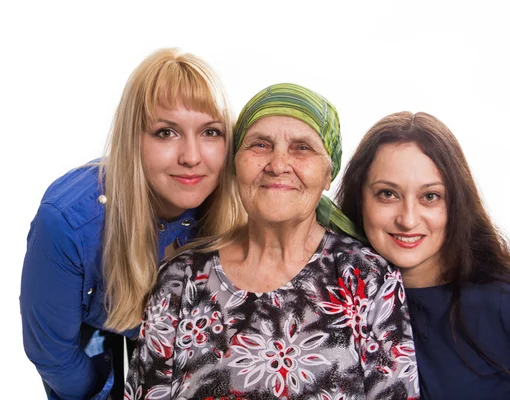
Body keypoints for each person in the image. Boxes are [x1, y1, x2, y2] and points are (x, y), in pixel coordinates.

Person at [125, 83, 420, 399]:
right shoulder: (180, 279)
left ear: (327, 174)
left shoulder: (366, 277)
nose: (278, 165)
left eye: (302, 148)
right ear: (235, 164)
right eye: (260, 145)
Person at [20, 48, 245, 400]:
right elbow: (53, 354)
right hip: (96, 346)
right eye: (166, 132)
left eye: (210, 132)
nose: (191, 156)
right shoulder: (68, 223)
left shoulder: (237, 203)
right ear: (133, 139)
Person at [336, 111, 510, 399]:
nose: (408, 219)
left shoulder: (509, 300)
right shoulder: (340, 304)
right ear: (359, 198)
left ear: (457, 203)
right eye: (387, 194)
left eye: (430, 196)